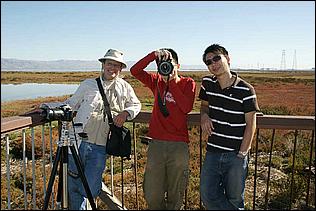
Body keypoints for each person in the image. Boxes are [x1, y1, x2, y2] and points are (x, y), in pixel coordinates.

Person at [42, 49, 141, 210]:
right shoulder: (88, 84)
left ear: (121, 68)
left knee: (91, 186)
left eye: (116, 65)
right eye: (109, 64)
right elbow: (72, 103)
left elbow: (136, 105)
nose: (112, 68)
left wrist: (125, 113)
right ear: (103, 65)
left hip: (100, 146)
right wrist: (47, 108)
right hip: (78, 142)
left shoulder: (125, 87)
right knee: (73, 184)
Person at [130, 48, 196, 210]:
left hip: (178, 145)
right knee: (152, 192)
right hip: (156, 144)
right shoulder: (156, 82)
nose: (165, 67)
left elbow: (186, 107)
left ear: (178, 66)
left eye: (169, 63)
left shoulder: (188, 83)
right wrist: (153, 55)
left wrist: (172, 82)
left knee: (176, 191)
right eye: (162, 64)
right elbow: (135, 70)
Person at [199, 44, 260, 210]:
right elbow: (204, 106)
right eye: (208, 62)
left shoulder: (246, 90)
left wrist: (242, 154)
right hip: (212, 152)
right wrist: (204, 116)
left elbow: (251, 124)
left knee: (235, 198)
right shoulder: (207, 83)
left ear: (228, 58)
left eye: (217, 58)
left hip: (235, 155)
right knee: (207, 195)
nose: (213, 63)